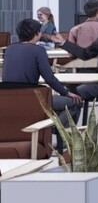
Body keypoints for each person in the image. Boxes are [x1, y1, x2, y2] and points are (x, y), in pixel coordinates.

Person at [4, 17, 85, 148]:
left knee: (55, 102)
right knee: (75, 102)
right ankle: (60, 135)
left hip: (9, 99)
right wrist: (67, 93)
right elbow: (49, 78)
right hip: (33, 99)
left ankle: (51, 129)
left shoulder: (9, 49)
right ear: (37, 33)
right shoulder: (38, 50)